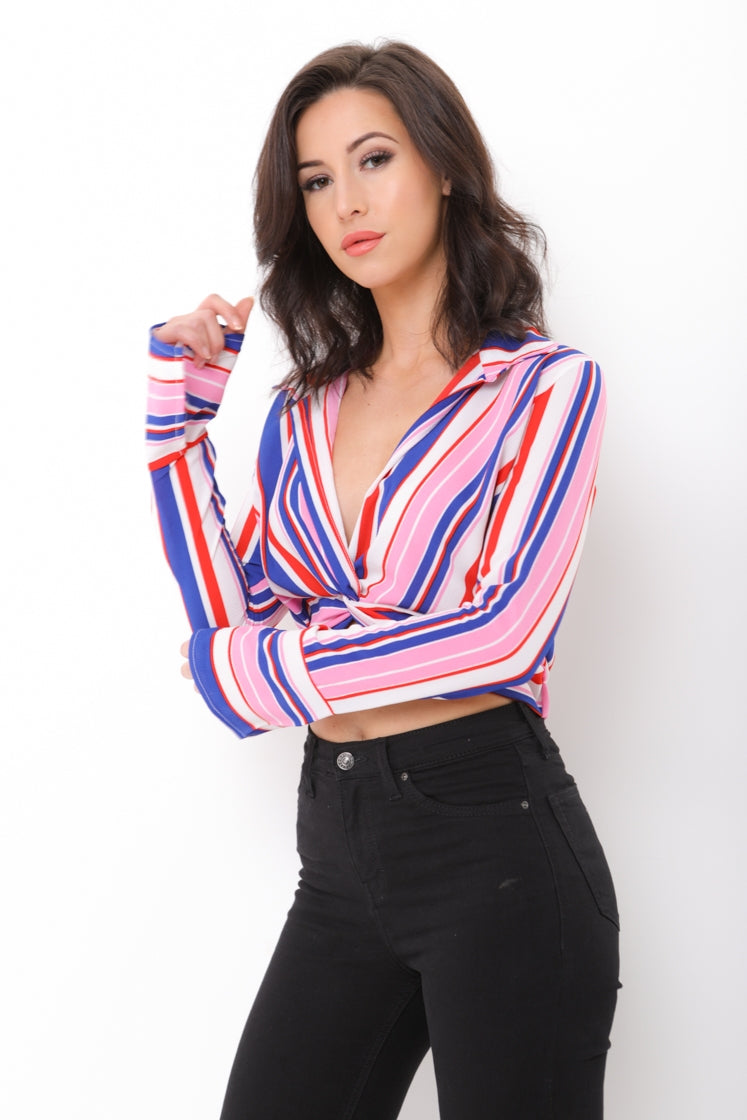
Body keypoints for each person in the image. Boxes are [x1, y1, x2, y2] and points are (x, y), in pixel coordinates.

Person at [146, 40, 620, 1120]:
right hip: (338, 849)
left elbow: (500, 633)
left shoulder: (543, 390)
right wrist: (178, 434)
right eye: (316, 181)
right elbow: (234, 621)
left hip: (494, 844)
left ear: (443, 166)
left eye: (373, 160)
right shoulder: (304, 412)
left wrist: (267, 673)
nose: (346, 204)